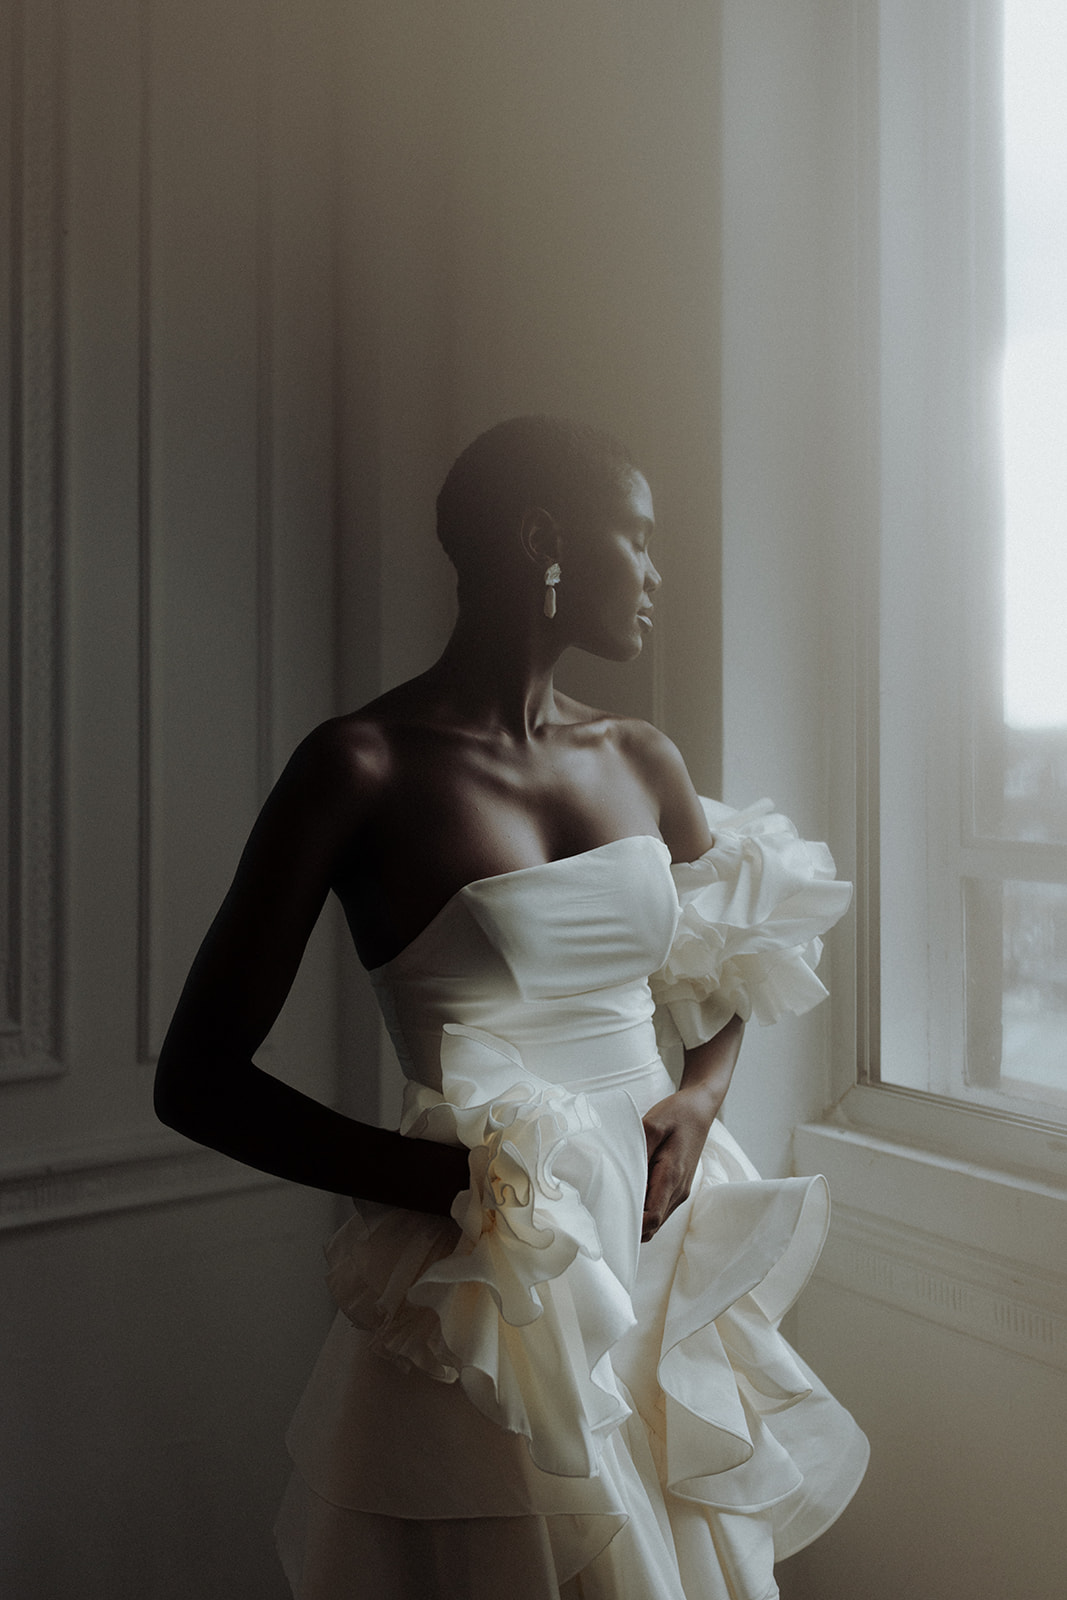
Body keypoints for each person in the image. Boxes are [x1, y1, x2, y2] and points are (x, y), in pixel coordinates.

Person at [155, 416, 868, 1600]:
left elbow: (731, 963)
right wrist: (443, 1188)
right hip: (504, 1283)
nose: (653, 573)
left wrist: (696, 1097)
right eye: (633, 540)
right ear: (543, 538)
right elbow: (197, 1076)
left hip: (659, 1243)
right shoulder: (358, 767)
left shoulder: (641, 757)